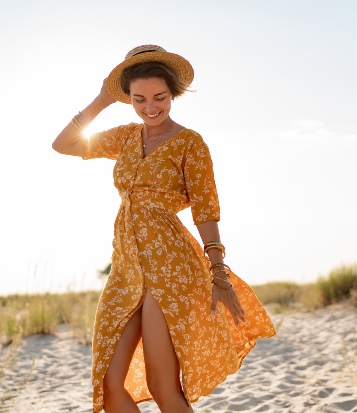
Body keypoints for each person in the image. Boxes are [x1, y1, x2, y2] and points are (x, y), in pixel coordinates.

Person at [52, 45, 276, 413]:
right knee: (110, 387)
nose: (150, 107)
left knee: (162, 385)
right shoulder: (125, 137)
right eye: (139, 99)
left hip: (171, 268)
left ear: (174, 94)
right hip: (126, 269)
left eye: (160, 97)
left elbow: (206, 210)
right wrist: (102, 100)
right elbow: (64, 144)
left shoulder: (190, 144)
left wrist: (218, 272)